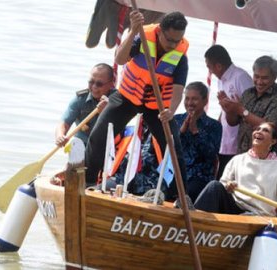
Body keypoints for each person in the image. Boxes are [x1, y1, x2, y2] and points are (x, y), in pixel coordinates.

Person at [84, 11, 190, 187]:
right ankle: (87, 182)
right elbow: (119, 59)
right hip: (127, 97)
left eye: (177, 41)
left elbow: (178, 90)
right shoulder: (142, 36)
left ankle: (181, 196)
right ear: (160, 31)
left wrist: (170, 111)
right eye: (169, 40)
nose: (173, 45)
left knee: (173, 146)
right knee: (98, 136)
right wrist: (133, 31)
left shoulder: (181, 57)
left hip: (156, 106)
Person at [194, 122, 277, 216]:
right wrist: (228, 185)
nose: (259, 131)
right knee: (214, 186)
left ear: (273, 141)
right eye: (257, 129)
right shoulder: (238, 159)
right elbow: (223, 183)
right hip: (235, 207)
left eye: (265, 130)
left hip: (259, 214)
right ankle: (193, 217)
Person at [219, 55, 277, 162]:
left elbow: (267, 127)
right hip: (242, 158)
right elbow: (233, 122)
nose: (259, 82)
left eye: (264, 78)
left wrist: (241, 110)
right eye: (256, 76)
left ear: (275, 76)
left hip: (265, 161)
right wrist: (229, 110)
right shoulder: (248, 94)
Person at [205, 44, 253, 178]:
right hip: (224, 137)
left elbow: (251, 107)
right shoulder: (221, 80)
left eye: (209, 67)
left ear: (218, 66)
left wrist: (234, 108)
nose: (210, 71)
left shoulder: (241, 77)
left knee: (230, 180)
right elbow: (224, 107)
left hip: (239, 140)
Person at [173, 82, 222, 201]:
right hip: (175, 172)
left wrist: (195, 131)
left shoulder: (214, 125)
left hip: (199, 176)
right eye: (187, 99)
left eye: (194, 99)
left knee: (190, 191)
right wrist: (182, 132)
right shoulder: (176, 120)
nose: (190, 103)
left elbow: (211, 155)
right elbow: (169, 148)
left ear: (205, 101)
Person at [55, 63, 115, 147]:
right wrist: (60, 136)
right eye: (91, 82)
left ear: (111, 83)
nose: (94, 87)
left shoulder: (117, 99)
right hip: (82, 144)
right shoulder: (80, 99)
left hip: (109, 146)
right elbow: (64, 122)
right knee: (75, 146)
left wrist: (106, 112)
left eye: (99, 84)